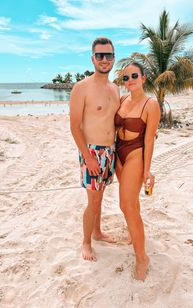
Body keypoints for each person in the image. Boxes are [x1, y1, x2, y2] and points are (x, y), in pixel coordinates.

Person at [70, 37, 120, 262]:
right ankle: (86, 242)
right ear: (93, 58)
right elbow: (75, 126)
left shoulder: (115, 88)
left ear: (113, 59)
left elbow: (115, 120)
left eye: (108, 55)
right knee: (93, 201)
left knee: (100, 197)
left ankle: (98, 232)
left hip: (111, 151)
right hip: (92, 151)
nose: (104, 60)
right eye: (100, 55)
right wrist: (88, 157)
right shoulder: (82, 87)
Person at [115, 62, 160, 281]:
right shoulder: (122, 99)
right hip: (118, 153)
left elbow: (150, 139)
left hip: (135, 153)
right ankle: (136, 236)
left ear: (143, 77)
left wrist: (147, 170)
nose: (130, 80)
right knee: (132, 202)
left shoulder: (151, 104)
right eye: (125, 78)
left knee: (126, 205)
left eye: (134, 75)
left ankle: (142, 258)